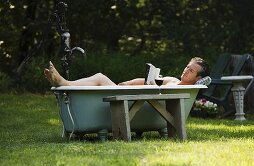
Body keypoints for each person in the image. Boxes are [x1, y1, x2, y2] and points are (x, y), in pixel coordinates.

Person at [44, 57, 209, 87]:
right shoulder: (172, 80)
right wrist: (128, 83)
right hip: (129, 95)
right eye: (187, 66)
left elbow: (206, 82)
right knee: (100, 78)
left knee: (100, 78)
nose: (186, 70)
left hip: (133, 102)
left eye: (191, 70)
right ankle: (64, 83)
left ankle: (64, 83)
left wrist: (200, 82)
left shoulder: (186, 89)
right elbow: (144, 81)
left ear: (197, 77)